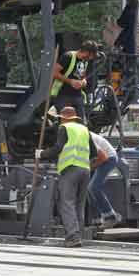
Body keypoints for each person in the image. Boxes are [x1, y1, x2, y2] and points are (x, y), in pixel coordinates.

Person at [37, 106, 97, 248]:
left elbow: (58, 148)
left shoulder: (64, 128)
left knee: (67, 203)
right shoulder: (84, 129)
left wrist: (41, 154)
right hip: (85, 170)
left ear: (63, 118)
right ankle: (78, 235)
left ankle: (72, 237)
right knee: (79, 204)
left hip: (70, 169)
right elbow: (94, 152)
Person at [50, 41, 99, 121]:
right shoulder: (68, 56)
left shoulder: (85, 61)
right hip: (63, 95)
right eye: (91, 55)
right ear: (86, 52)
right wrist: (70, 81)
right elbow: (54, 72)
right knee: (66, 122)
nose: (91, 58)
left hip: (77, 96)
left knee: (81, 123)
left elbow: (82, 76)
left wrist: (83, 82)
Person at [88, 131, 121, 229]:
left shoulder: (86, 137)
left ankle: (110, 217)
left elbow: (103, 158)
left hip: (109, 159)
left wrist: (89, 168)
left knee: (93, 187)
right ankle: (97, 219)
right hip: (99, 158)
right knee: (88, 189)